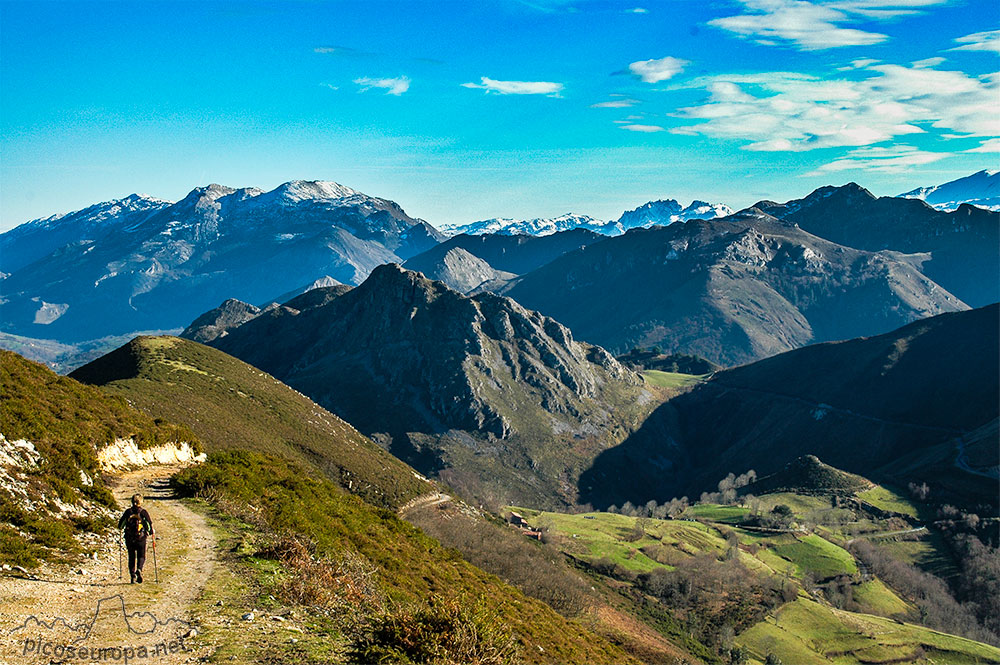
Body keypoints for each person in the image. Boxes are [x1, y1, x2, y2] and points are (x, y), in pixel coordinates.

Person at [118, 493, 154, 583]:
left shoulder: (128, 512)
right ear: (141, 502)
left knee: (131, 556)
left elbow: (120, 525)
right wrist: (151, 533)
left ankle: (132, 576)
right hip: (141, 538)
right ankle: (139, 569)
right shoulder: (143, 512)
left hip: (129, 538)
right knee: (141, 556)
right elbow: (149, 525)